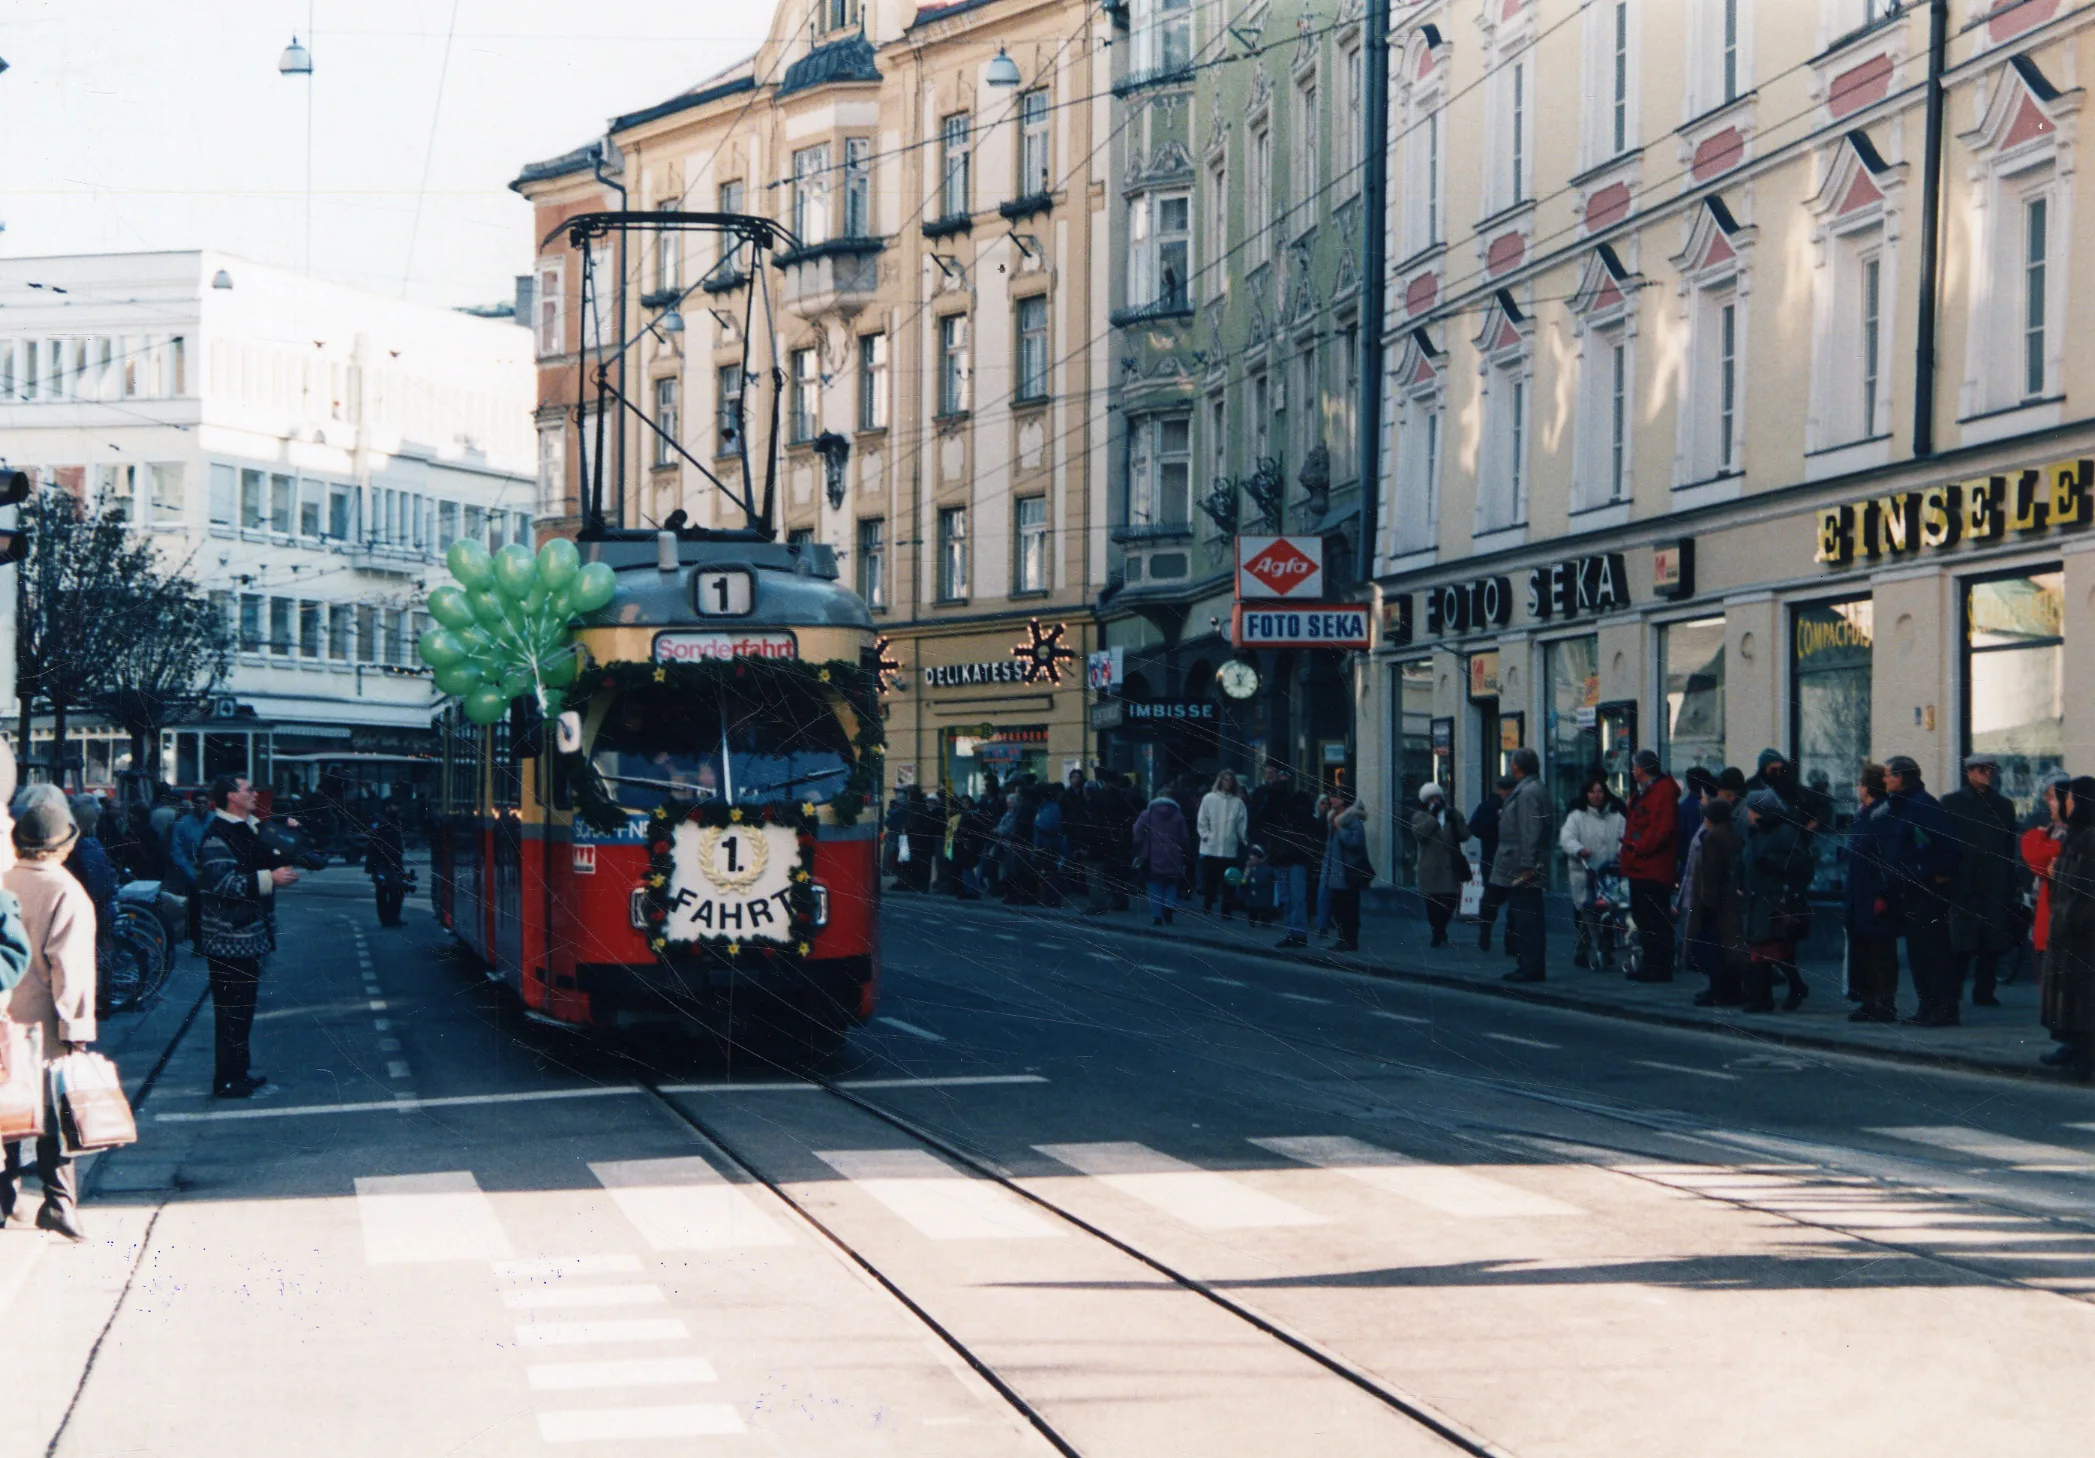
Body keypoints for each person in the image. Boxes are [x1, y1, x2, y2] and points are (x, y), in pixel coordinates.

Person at [2, 782, 91, 1239]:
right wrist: (78, 1029)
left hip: (5, 1018)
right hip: (46, 1024)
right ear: (65, 844)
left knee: (7, 1109)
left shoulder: (4, 879)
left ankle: (4, 1198)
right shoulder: (66, 891)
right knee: (56, 1114)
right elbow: (69, 969)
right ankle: (59, 1203)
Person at [196, 775, 299, 1099]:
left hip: (248, 937)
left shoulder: (248, 829)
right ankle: (226, 1079)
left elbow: (264, 854)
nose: (255, 793)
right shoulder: (216, 836)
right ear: (231, 797)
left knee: (242, 1011)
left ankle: (237, 1073)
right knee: (231, 1012)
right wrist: (271, 878)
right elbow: (224, 883)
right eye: (248, 790)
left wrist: (288, 832)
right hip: (228, 941)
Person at [1883, 754, 1963, 1027]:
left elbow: (1950, 847)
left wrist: (1930, 874)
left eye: (1888, 775)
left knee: (1932, 950)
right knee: (1919, 952)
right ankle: (1928, 1006)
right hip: (1911, 888)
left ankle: (1943, 1007)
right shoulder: (1903, 806)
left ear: (1901, 777)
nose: (1884, 780)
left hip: (1924, 890)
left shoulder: (1922, 807)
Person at [1940, 753, 2020, 1009]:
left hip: (1995, 880)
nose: (1986, 775)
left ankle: (1984, 991)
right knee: (1960, 943)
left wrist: (2011, 878)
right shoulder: (1952, 803)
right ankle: (1952, 991)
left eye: (1990, 770)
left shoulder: (2004, 806)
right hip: (1964, 880)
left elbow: (2009, 844)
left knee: (1992, 942)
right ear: (1969, 772)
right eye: (1981, 770)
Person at [2037, 776, 2095, 1078]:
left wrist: (2072, 919)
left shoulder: (2089, 839)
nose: (2066, 803)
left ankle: (2083, 1052)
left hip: (2081, 931)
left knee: (2082, 995)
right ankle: (2073, 1044)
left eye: (2071, 799)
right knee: (2070, 993)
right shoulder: (2076, 835)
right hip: (2069, 927)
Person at [1739, 789, 1811, 1013]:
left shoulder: (1784, 832)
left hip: (1775, 899)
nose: (1747, 813)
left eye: (1750, 809)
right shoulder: (1756, 832)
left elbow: (1800, 865)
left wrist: (1769, 862)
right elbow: (1746, 861)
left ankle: (1767, 996)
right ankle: (1766, 996)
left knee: (1769, 948)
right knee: (1762, 947)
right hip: (1757, 897)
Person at [1843, 764, 1902, 1023]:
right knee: (1864, 951)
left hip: (1876, 896)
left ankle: (1883, 1003)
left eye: (1860, 783)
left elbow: (1889, 860)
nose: (1858, 788)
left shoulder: (1883, 817)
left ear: (1866, 787)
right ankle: (1868, 1001)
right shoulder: (1865, 815)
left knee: (1880, 951)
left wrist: (1883, 893)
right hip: (1860, 895)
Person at [1619, 749, 1681, 983]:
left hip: (1651, 867)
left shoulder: (1661, 793)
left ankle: (1658, 966)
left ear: (1642, 769)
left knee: (1653, 918)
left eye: (1635, 766)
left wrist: (1637, 848)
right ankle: (1652, 963)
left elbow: (1660, 830)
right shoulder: (1648, 792)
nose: (1632, 771)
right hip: (1642, 866)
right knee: (1646, 917)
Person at [1492, 748, 1552, 983]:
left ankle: (1530, 966)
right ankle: (1527, 964)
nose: (1510, 766)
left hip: (1523, 868)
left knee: (1527, 919)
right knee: (1525, 917)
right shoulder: (1532, 788)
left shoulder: (1527, 792)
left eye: (1512, 763)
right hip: (1522, 864)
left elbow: (1530, 831)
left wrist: (1527, 865)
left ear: (1518, 766)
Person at [1558, 774, 1626, 971]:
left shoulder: (1615, 815)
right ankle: (1601, 947)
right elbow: (1566, 838)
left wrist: (1622, 853)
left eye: (1599, 791)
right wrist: (1579, 849)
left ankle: (1583, 949)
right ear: (1586, 794)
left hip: (1609, 872)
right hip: (1585, 871)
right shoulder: (1577, 816)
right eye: (1592, 792)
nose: (1596, 796)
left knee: (1603, 911)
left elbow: (1625, 836)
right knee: (1588, 910)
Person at [1686, 796, 1745, 1008]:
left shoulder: (1712, 838)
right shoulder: (1733, 835)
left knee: (1715, 948)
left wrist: (1707, 904)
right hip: (1731, 901)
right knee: (1730, 948)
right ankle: (1732, 990)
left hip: (1715, 902)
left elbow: (1710, 874)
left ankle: (1718, 990)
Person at [1265, 780, 1323, 948]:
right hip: (1292, 856)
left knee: (1290, 897)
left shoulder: (1285, 814)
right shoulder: (1295, 815)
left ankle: (1295, 932)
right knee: (1292, 897)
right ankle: (1295, 932)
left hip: (1288, 856)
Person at [2023, 775, 2071, 972]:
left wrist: (2044, 843)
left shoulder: (2065, 832)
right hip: (2044, 907)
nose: (2048, 802)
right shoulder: (2049, 828)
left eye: (2053, 797)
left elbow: (2038, 860)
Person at [1412, 783, 1469, 947]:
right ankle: (1437, 932)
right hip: (1431, 867)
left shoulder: (1451, 813)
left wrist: (1456, 820)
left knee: (1450, 902)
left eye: (1437, 797)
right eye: (1431, 799)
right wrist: (1433, 818)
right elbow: (1419, 834)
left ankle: (1441, 928)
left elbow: (1465, 834)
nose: (1434, 801)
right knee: (1433, 904)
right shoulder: (1421, 816)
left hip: (1450, 866)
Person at [1131, 789, 1192, 926]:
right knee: (1171, 884)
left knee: (1154, 886)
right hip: (1174, 856)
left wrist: (1140, 845)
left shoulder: (1148, 814)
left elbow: (1137, 831)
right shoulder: (1178, 816)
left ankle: (1157, 916)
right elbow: (1185, 837)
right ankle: (1169, 907)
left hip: (1151, 855)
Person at [1320, 791, 1372, 952]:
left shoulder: (1351, 820)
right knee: (1339, 909)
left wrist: (1339, 829)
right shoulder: (1332, 819)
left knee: (1348, 909)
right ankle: (1342, 939)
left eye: (1335, 796)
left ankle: (1350, 940)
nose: (1331, 799)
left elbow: (1356, 843)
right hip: (1336, 872)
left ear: (1343, 801)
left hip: (1349, 873)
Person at [1197, 770, 1249, 918]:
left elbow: (1241, 823)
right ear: (1220, 781)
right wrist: (1206, 835)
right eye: (1225, 780)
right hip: (1211, 847)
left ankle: (1226, 911)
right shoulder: (1209, 798)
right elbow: (1202, 819)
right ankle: (1207, 906)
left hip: (1229, 848)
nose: (1227, 783)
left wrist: (1243, 838)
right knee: (1210, 881)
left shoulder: (1238, 803)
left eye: (1230, 780)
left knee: (1229, 882)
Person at [1471, 777, 1514, 953]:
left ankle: (1508, 941)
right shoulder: (1489, 807)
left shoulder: (1516, 805)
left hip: (1507, 861)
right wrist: (1494, 819)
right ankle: (1486, 933)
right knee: (1492, 901)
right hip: (1494, 860)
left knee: (1509, 903)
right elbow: (1474, 827)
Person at [367, 801, 408, 928]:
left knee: (387, 892)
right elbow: (380, 844)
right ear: (388, 806)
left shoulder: (389, 821)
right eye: (395, 805)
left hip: (386, 863)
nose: (397, 808)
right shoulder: (384, 822)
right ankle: (389, 919)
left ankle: (389, 919)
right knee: (391, 891)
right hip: (385, 863)